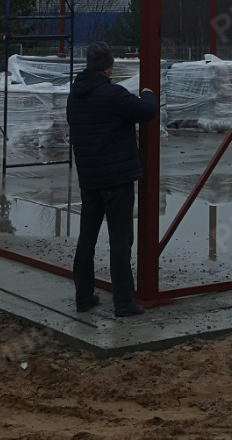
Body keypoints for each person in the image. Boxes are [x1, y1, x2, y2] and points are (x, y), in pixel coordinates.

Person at [66, 40, 157, 317]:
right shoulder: (113, 94)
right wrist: (148, 93)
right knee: (120, 239)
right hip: (116, 180)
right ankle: (123, 302)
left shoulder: (74, 96)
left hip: (89, 178)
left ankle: (83, 296)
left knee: (87, 238)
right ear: (108, 68)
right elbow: (146, 111)